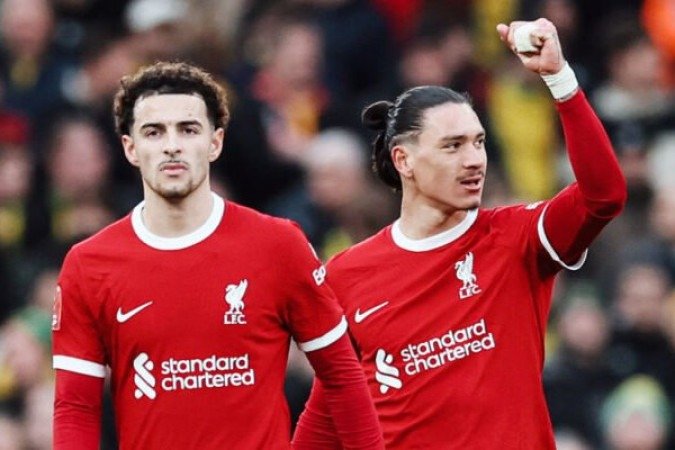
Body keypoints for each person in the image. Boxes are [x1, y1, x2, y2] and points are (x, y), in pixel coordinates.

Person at [293, 18, 627, 449]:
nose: (474, 160)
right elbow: (328, 411)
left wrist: (560, 80)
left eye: (479, 142)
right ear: (403, 160)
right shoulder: (346, 274)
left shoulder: (517, 239)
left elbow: (603, 196)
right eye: (452, 146)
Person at [51, 61, 383, 449]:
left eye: (188, 129)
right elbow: (75, 407)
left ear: (215, 142)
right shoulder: (89, 265)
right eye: (154, 132)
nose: (172, 145)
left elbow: (342, 375)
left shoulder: (278, 245)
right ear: (131, 148)